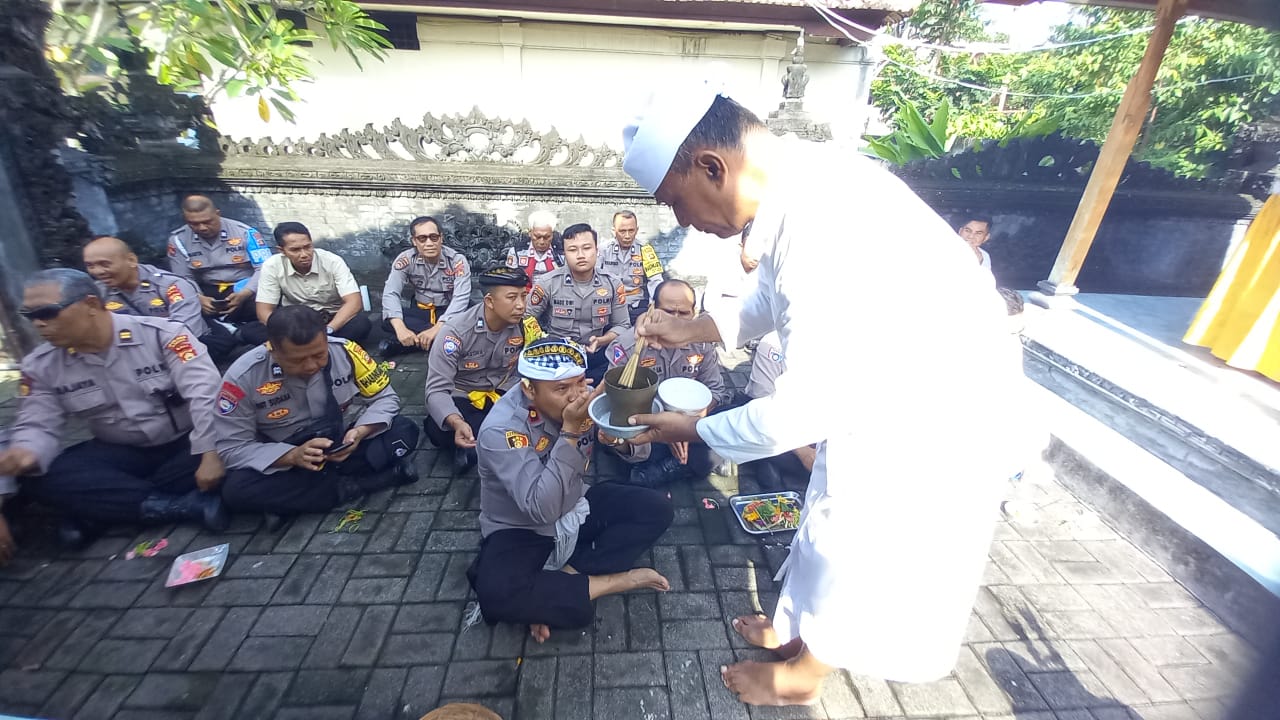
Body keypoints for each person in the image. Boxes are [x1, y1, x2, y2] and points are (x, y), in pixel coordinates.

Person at [621, 83, 1021, 705]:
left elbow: (798, 412)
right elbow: (771, 298)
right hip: (884, 382)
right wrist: (689, 327)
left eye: (676, 201)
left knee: (858, 533)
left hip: (934, 401)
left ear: (711, 167)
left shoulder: (822, 221)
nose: (681, 221)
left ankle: (805, 675)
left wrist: (694, 428)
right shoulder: (794, 180)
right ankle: (795, 629)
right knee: (827, 506)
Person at [0, 269, 228, 550]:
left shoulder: (164, 336)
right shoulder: (41, 365)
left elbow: (205, 396)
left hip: (186, 442)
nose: (38, 323)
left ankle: (104, 511)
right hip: (121, 450)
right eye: (29, 315)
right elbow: (37, 423)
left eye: (47, 312)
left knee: (233, 449)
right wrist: (26, 452)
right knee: (45, 478)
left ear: (91, 304)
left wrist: (210, 453)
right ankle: (178, 505)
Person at [467, 338, 673, 643]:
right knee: (498, 593)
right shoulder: (502, 430)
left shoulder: (585, 401)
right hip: (521, 527)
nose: (576, 395)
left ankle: (565, 579)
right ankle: (616, 581)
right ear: (529, 390)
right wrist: (570, 432)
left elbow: (639, 455)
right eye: (561, 388)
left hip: (575, 501)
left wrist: (616, 439)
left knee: (656, 508)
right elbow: (542, 510)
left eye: (579, 382)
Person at [214, 305, 418, 521]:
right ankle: (357, 485)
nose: (311, 365)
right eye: (297, 360)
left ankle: (298, 499)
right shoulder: (242, 377)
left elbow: (385, 398)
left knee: (403, 431)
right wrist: (291, 456)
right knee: (236, 489)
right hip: (284, 457)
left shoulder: (346, 352)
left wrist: (360, 432)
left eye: (319, 355)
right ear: (272, 350)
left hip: (339, 445)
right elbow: (232, 447)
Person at [607, 279, 731, 487]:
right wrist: (665, 428)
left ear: (694, 312)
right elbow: (617, 400)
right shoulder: (628, 346)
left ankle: (667, 469)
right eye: (668, 312)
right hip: (647, 424)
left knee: (732, 416)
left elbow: (716, 390)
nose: (676, 320)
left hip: (691, 422)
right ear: (652, 309)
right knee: (618, 439)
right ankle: (694, 462)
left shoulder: (703, 344)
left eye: (683, 313)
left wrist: (689, 425)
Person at [423, 267, 528, 474]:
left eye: (523, 296)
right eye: (512, 297)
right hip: (464, 397)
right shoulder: (455, 333)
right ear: (489, 301)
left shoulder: (524, 325)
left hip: (504, 394)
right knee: (440, 425)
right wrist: (455, 421)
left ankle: (474, 451)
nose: (521, 305)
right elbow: (435, 390)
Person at [84, 235, 243, 364]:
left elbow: (184, 335)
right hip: (132, 355)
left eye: (105, 264)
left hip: (188, 351)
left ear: (131, 260)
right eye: (90, 266)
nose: (98, 271)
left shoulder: (172, 286)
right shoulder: (97, 293)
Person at [526, 223, 631, 384]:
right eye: (573, 250)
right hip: (557, 358)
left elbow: (623, 325)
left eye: (587, 248)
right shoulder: (548, 283)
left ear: (597, 250)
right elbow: (526, 319)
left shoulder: (612, 284)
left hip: (596, 356)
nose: (581, 255)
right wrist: (543, 342)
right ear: (564, 253)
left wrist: (602, 340)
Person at [167, 194, 271, 345]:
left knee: (268, 307)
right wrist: (198, 298)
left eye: (207, 222)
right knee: (183, 308)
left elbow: (265, 268)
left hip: (245, 288)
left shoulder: (245, 233)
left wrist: (245, 293)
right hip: (206, 291)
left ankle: (235, 331)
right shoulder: (178, 240)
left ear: (217, 214)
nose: (202, 228)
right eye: (194, 224)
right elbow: (182, 278)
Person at [256, 221, 372, 343]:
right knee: (254, 331)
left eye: (308, 247)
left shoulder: (332, 261)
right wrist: (291, 333)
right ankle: (322, 345)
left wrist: (328, 330)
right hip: (296, 322)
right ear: (282, 250)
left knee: (360, 324)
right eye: (295, 250)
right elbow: (264, 311)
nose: (304, 254)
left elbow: (354, 302)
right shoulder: (272, 266)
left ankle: (306, 345)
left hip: (333, 319)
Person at [380, 215, 473, 357]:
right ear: (414, 241)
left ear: (441, 238)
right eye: (422, 238)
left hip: (449, 310)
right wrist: (400, 328)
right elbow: (391, 293)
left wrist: (437, 328)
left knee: (474, 317)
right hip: (421, 312)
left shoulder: (457, 261)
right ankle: (448, 342)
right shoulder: (405, 259)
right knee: (389, 321)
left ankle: (412, 344)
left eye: (434, 237)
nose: (429, 243)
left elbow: (461, 298)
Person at [597, 210, 665, 325]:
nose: (627, 236)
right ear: (614, 231)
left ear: (637, 230)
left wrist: (654, 304)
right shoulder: (603, 250)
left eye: (631, 231)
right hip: (609, 304)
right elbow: (593, 277)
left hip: (636, 305)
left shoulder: (645, 250)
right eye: (622, 231)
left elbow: (656, 280)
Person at [504, 210, 563, 284]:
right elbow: (510, 280)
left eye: (547, 237)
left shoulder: (562, 252)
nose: (542, 242)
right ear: (530, 233)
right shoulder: (516, 252)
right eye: (537, 236)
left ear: (552, 234)